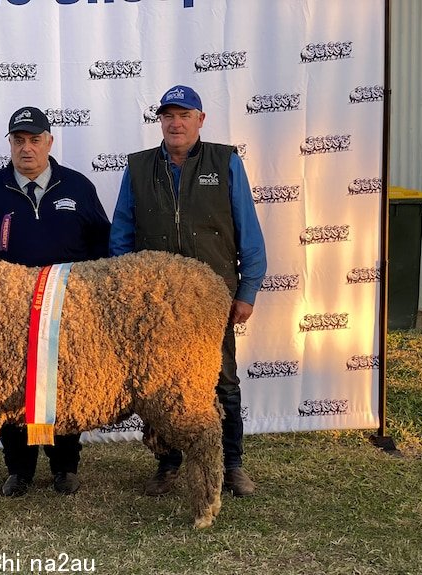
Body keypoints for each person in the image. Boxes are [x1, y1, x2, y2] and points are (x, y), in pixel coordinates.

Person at [109, 85, 267, 497]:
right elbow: (121, 233)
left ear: (201, 120)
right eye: (168, 116)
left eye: (184, 115)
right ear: (160, 121)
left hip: (210, 303)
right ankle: (168, 465)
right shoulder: (139, 168)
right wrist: (127, 290)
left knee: (223, 379)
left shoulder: (226, 161)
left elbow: (249, 234)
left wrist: (246, 291)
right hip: (155, 303)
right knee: (161, 383)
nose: (175, 123)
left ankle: (232, 465)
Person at [0, 106, 111, 497]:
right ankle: (19, 470)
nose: (27, 148)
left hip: (68, 312)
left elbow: (103, 246)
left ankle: (65, 467)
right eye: (19, 140)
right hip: (6, 315)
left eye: (35, 139)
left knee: (65, 385)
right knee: (11, 389)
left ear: (50, 142)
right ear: (10, 143)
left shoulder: (78, 187)